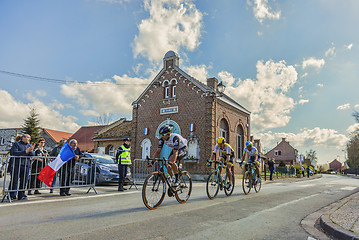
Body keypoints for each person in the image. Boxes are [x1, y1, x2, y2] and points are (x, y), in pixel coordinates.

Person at [9, 134, 35, 200]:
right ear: (23, 138)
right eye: (28, 137)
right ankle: (12, 195)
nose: (29, 139)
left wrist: (31, 151)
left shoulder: (29, 145)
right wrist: (25, 152)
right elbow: (14, 152)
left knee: (24, 181)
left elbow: (32, 154)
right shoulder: (16, 144)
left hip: (26, 165)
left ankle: (21, 195)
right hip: (17, 165)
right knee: (15, 180)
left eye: (30, 138)